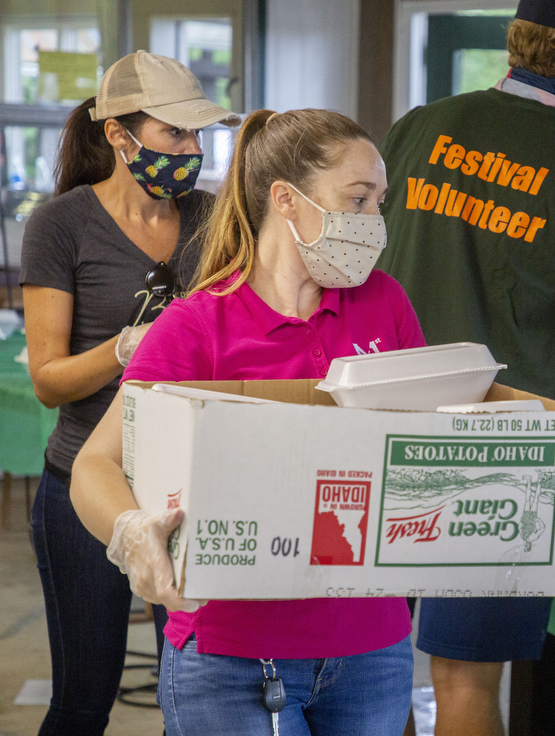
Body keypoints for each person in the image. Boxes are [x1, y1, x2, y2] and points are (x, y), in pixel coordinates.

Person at [70, 108, 422, 736]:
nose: (375, 223)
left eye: (380, 202)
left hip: (372, 647)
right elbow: (95, 463)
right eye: (358, 200)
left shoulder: (386, 306)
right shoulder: (197, 326)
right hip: (231, 656)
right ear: (286, 200)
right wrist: (130, 530)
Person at [378, 0, 555, 732]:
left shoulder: (418, 128)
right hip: (506, 448)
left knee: (372, 665)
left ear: (517, 40)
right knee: (466, 683)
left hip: (380, 424)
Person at [19, 50, 238, 735]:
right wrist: (126, 349)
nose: (192, 150)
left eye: (199, 135)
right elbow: (49, 382)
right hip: (86, 488)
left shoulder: (217, 219)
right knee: (85, 698)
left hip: (192, 489)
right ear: (119, 134)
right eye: (175, 134)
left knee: (198, 699)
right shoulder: (61, 226)